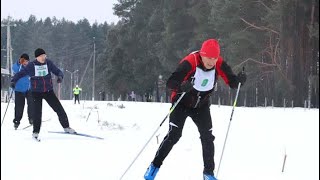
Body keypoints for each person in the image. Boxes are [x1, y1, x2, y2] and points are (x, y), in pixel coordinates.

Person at [143, 39, 246, 180]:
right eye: (208, 58)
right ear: (202, 55)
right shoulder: (190, 62)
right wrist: (181, 86)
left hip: (201, 105)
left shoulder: (219, 63)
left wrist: (240, 80)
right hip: (181, 102)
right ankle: (154, 166)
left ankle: (208, 173)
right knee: (174, 135)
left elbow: (233, 82)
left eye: (214, 58)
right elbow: (171, 82)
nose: (211, 61)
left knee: (207, 137)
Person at [11, 48, 76, 140]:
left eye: (44, 56)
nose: (43, 57)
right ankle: (35, 132)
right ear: (37, 57)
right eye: (41, 56)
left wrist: (60, 76)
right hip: (36, 93)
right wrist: (13, 81)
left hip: (48, 91)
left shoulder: (48, 63)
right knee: (37, 114)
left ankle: (66, 127)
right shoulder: (31, 65)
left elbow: (57, 70)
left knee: (59, 109)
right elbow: (20, 74)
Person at [12, 53, 34, 129]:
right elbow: (14, 69)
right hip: (19, 89)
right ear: (21, 60)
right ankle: (17, 121)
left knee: (31, 104)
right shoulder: (17, 66)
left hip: (29, 89)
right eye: (23, 61)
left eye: (27, 61)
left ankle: (31, 119)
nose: (25, 62)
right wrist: (19, 63)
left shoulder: (30, 67)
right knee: (19, 107)